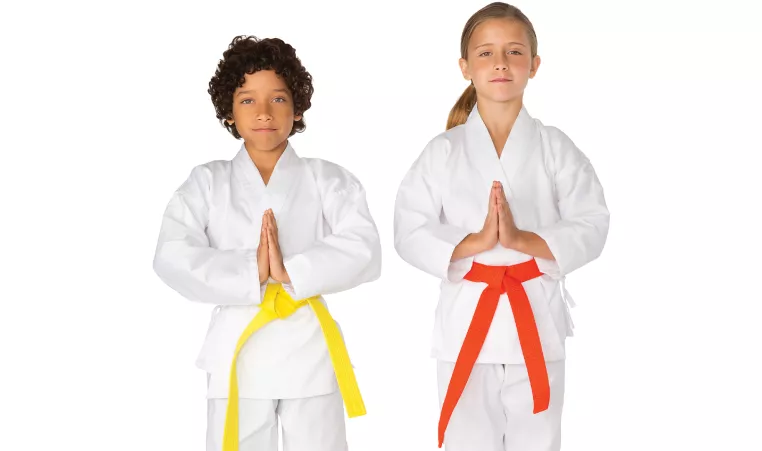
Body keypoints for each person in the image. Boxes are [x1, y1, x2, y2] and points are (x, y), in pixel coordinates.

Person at [393, 3, 610, 450]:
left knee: (538, 441)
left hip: (537, 318)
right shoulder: (443, 150)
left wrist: (522, 240)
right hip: (466, 321)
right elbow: (408, 229)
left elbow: (593, 222)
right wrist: (474, 242)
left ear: (534, 65)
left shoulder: (555, 146)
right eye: (486, 52)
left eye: (514, 52)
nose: (500, 63)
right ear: (464, 67)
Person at [152, 35, 382, 451]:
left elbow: (363, 246)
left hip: (309, 348)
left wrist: (289, 270)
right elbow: (171, 254)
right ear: (228, 111)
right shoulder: (207, 182)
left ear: (297, 107)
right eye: (246, 100)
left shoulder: (328, 179)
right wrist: (252, 271)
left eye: (277, 99)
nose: (263, 113)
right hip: (237, 353)